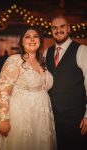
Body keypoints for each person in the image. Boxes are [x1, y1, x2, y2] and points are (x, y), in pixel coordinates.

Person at [0, 26, 57, 150]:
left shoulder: (42, 62)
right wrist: (4, 119)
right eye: (28, 37)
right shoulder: (15, 60)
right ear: (22, 42)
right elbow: (3, 90)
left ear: (40, 41)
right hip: (20, 116)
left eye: (35, 37)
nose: (32, 40)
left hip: (40, 118)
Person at [45, 15, 87, 150]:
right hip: (51, 119)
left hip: (76, 119)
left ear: (68, 28)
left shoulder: (82, 50)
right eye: (54, 28)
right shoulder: (47, 52)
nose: (58, 30)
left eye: (62, 26)